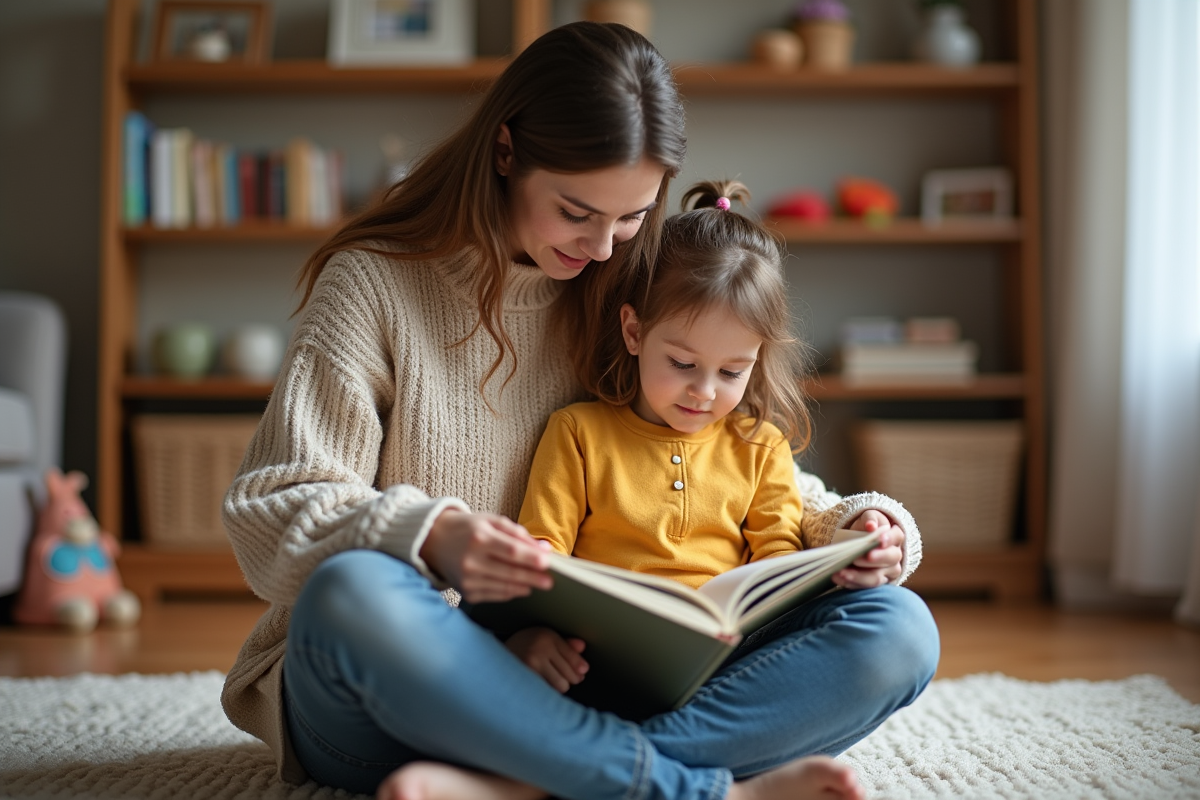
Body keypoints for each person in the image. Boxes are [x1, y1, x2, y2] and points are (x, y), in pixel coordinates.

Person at [219, 20, 934, 800]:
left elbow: (724, 457)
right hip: (410, 688)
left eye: (631, 217)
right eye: (577, 211)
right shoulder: (371, 289)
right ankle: (694, 789)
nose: (602, 247)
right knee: (352, 592)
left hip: (585, 677)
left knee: (896, 629)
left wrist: (856, 527)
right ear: (505, 152)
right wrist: (433, 534)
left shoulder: (616, 288)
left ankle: (546, 778)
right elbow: (271, 507)